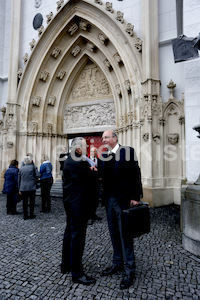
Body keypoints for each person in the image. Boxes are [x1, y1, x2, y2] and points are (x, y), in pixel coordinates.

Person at [99, 130, 143, 290]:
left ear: (115, 138)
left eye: (106, 137)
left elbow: (136, 174)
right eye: (102, 137)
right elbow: (103, 177)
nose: (103, 139)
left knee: (125, 235)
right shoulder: (104, 155)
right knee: (113, 233)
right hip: (109, 201)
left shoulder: (127, 151)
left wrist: (136, 196)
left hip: (124, 200)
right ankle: (117, 263)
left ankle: (129, 269)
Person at [61, 137, 97, 285]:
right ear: (78, 148)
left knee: (69, 233)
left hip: (70, 204)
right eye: (85, 145)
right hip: (79, 206)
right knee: (78, 238)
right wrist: (93, 172)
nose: (87, 146)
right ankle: (77, 273)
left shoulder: (69, 160)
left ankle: (66, 264)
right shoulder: (78, 163)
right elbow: (91, 179)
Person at [18, 155, 40, 220]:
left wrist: (19, 188)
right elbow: (38, 175)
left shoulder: (21, 168)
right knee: (32, 202)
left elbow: (19, 179)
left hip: (23, 187)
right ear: (31, 161)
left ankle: (25, 215)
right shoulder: (33, 167)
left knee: (24, 202)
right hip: (31, 187)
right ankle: (31, 214)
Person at [87, 146, 102, 225]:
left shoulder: (99, 161)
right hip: (89, 184)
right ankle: (89, 216)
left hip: (97, 183)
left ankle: (94, 214)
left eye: (95, 151)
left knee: (96, 200)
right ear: (90, 152)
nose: (94, 153)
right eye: (92, 151)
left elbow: (101, 170)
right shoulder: (86, 160)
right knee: (89, 200)